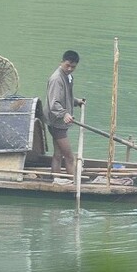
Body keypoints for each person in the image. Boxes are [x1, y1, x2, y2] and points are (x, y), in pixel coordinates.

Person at [45, 50, 85, 182]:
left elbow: (66, 97)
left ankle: (56, 179)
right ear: (61, 62)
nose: (70, 69)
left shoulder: (68, 77)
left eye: (73, 67)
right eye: (67, 65)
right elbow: (54, 103)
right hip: (56, 122)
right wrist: (64, 113)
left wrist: (76, 101)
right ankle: (74, 182)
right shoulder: (57, 79)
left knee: (58, 153)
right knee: (69, 156)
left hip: (59, 121)